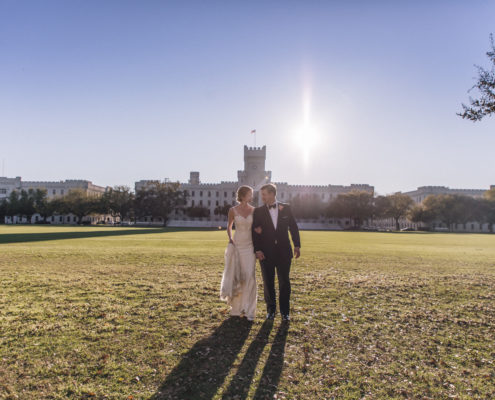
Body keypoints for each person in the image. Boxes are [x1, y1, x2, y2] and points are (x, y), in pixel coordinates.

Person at [251, 183, 301, 322]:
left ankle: (285, 312)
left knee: (284, 282)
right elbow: (254, 232)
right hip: (265, 253)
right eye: (262, 195)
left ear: (272, 194)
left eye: (264, 194)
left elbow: (293, 227)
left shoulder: (286, 208)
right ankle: (271, 311)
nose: (262, 197)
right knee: (268, 283)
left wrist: (297, 245)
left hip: (284, 252)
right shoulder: (258, 211)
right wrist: (257, 250)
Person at [220, 185, 257, 321]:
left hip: (250, 246)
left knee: (250, 276)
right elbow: (229, 227)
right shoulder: (232, 210)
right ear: (242, 195)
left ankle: (249, 310)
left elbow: (257, 227)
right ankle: (236, 309)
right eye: (249, 194)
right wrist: (230, 239)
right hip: (237, 245)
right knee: (237, 276)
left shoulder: (254, 210)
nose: (251, 196)